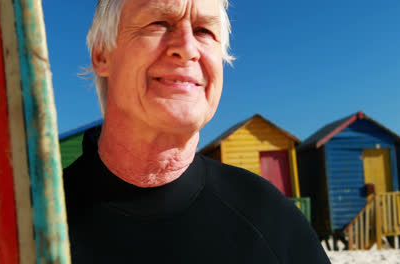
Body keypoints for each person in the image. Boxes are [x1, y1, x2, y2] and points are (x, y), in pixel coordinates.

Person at [64, 0, 331, 263]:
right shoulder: (34, 221)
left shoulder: (272, 223)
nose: (187, 48)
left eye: (204, 30)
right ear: (102, 53)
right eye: (158, 22)